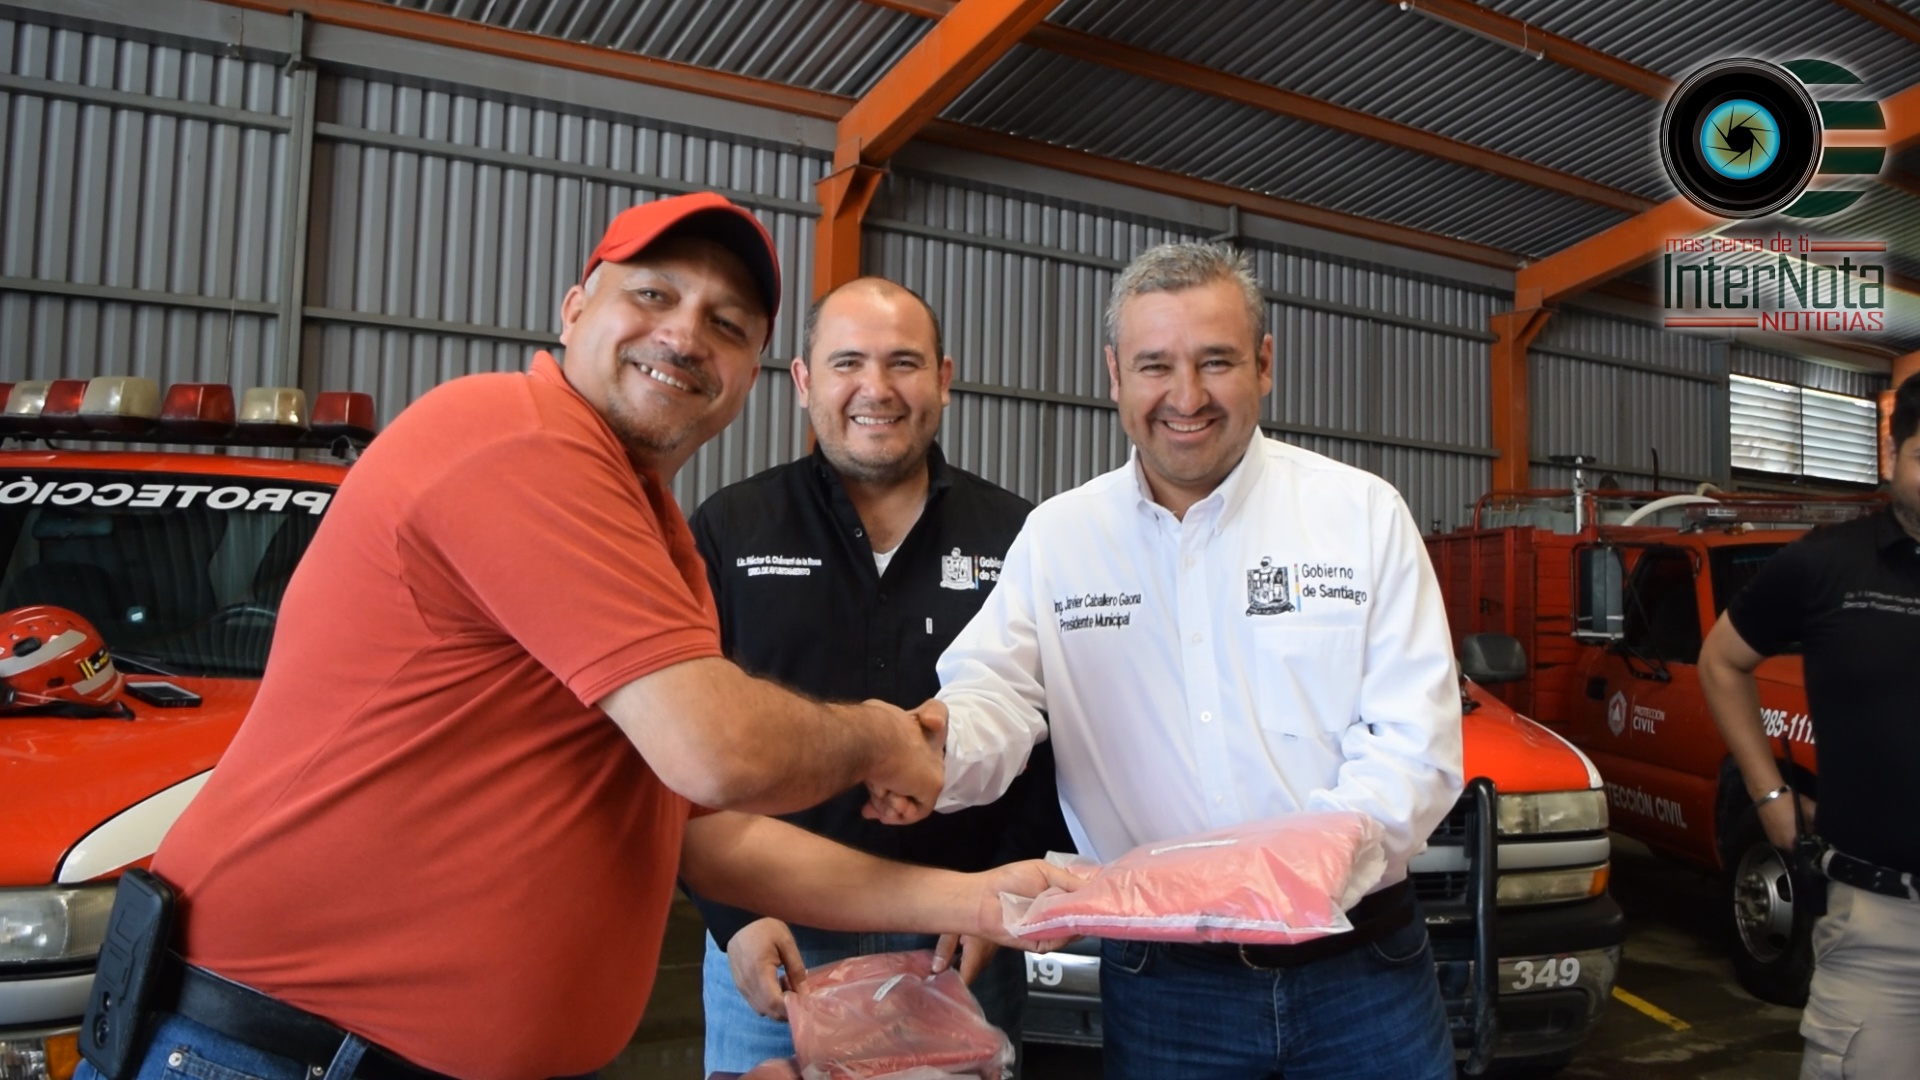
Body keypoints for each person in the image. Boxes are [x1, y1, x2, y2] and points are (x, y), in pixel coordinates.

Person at [84, 193, 1078, 1080]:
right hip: (281, 1046)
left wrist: (975, 901)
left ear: (745, 374)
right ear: (573, 310)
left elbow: (706, 829)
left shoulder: (658, 537)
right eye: (652, 295)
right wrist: (885, 737)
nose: (685, 334)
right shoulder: (518, 436)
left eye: (725, 323)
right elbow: (715, 749)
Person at [917, 241, 1465, 1078]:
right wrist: (930, 748)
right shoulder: (1061, 539)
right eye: (1155, 366)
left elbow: (1415, 747)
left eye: (1216, 361)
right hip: (1167, 985)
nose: (1186, 396)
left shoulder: (1361, 515)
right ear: (1115, 375)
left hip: (1361, 970)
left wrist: (1289, 876)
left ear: (1264, 363)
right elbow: (993, 691)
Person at [686, 277, 1072, 1075]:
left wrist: (992, 896)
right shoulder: (732, 527)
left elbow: (1058, 736)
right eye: (848, 362)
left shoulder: (1022, 535)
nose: (877, 388)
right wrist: (733, 918)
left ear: (944, 379)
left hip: (958, 943)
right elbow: (684, 741)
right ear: (803, 381)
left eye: (903, 362)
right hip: (776, 941)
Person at [1700, 371, 1920, 1080]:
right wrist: (1769, 794)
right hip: (1885, 927)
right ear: (1892, 455)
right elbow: (1721, 661)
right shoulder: (1827, 565)